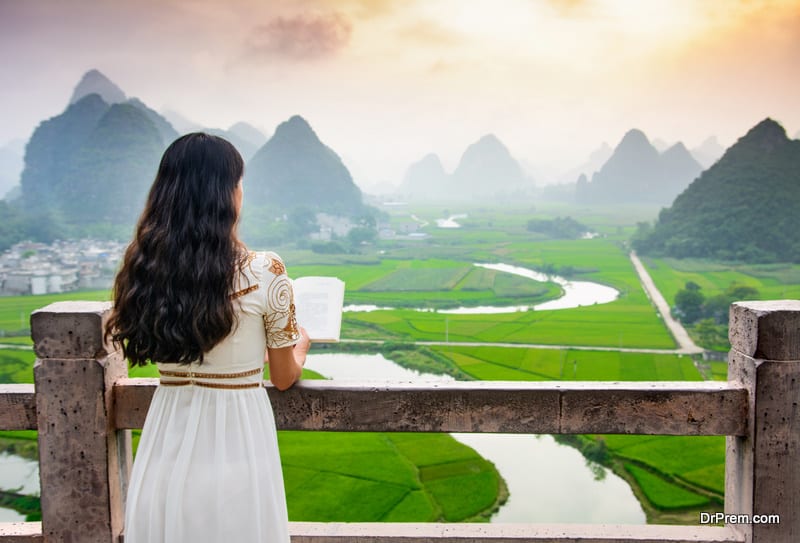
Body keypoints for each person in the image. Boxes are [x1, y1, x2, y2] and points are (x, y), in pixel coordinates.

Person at [105, 132, 310, 542]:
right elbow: (285, 377)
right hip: (237, 443)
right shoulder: (265, 271)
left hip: (165, 442)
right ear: (227, 195)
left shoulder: (146, 271)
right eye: (238, 182)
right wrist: (299, 344)